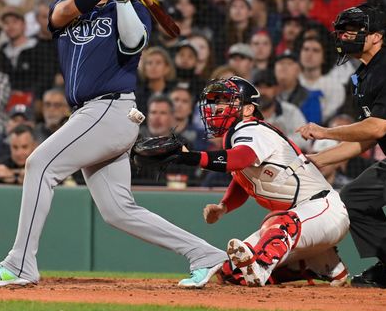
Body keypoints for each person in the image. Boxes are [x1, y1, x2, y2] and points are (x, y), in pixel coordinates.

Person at [0, 0, 226, 288]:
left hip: (110, 108)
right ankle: (206, 254)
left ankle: (20, 265)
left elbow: (134, 44)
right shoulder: (65, 8)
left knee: (39, 165)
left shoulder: (134, 7)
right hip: (90, 115)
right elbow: (60, 15)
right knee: (118, 210)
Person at [143, 77, 350, 287]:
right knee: (230, 273)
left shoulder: (253, 129)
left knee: (278, 225)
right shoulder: (236, 135)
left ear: (248, 109)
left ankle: (262, 265)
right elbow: (244, 178)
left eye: (226, 101)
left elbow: (241, 158)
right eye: (216, 101)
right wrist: (224, 206)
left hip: (323, 209)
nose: (217, 107)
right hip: (304, 220)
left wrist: (191, 157)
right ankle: (320, 264)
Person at [299, 4, 386, 290]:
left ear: (376, 37)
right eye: (342, 31)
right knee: (354, 197)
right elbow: (367, 139)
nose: (344, 36)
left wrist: (324, 131)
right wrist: (320, 159)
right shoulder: (366, 74)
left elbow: (378, 127)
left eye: (352, 30)